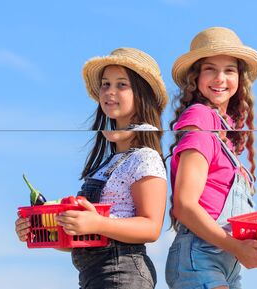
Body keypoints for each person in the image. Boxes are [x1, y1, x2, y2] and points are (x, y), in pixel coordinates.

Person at [15, 47, 168, 289]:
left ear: (142, 94)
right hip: (94, 277)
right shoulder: (106, 165)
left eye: (121, 85)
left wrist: (96, 223)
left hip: (124, 274)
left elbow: (151, 227)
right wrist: (43, 230)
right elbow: (85, 236)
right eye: (106, 84)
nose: (109, 91)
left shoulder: (145, 157)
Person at [165, 27, 257, 289]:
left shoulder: (225, 133)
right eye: (209, 69)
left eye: (229, 70)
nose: (220, 78)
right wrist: (237, 247)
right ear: (195, 77)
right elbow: (184, 204)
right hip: (200, 256)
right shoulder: (201, 117)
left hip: (227, 262)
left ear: (239, 77)